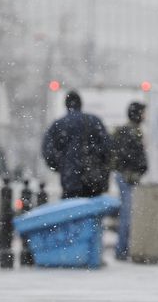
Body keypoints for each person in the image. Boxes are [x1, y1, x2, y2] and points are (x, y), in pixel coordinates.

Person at [41, 91, 112, 199]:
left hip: (69, 181)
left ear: (66, 105)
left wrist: (60, 165)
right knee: (91, 212)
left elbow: (47, 150)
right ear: (81, 104)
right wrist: (100, 163)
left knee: (72, 212)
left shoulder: (58, 125)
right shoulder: (94, 121)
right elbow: (107, 147)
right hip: (93, 181)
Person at [110, 101, 148, 261]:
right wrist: (139, 169)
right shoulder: (131, 132)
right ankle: (122, 250)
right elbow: (133, 156)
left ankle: (123, 249)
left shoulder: (125, 130)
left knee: (128, 213)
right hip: (128, 177)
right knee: (128, 213)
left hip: (124, 176)